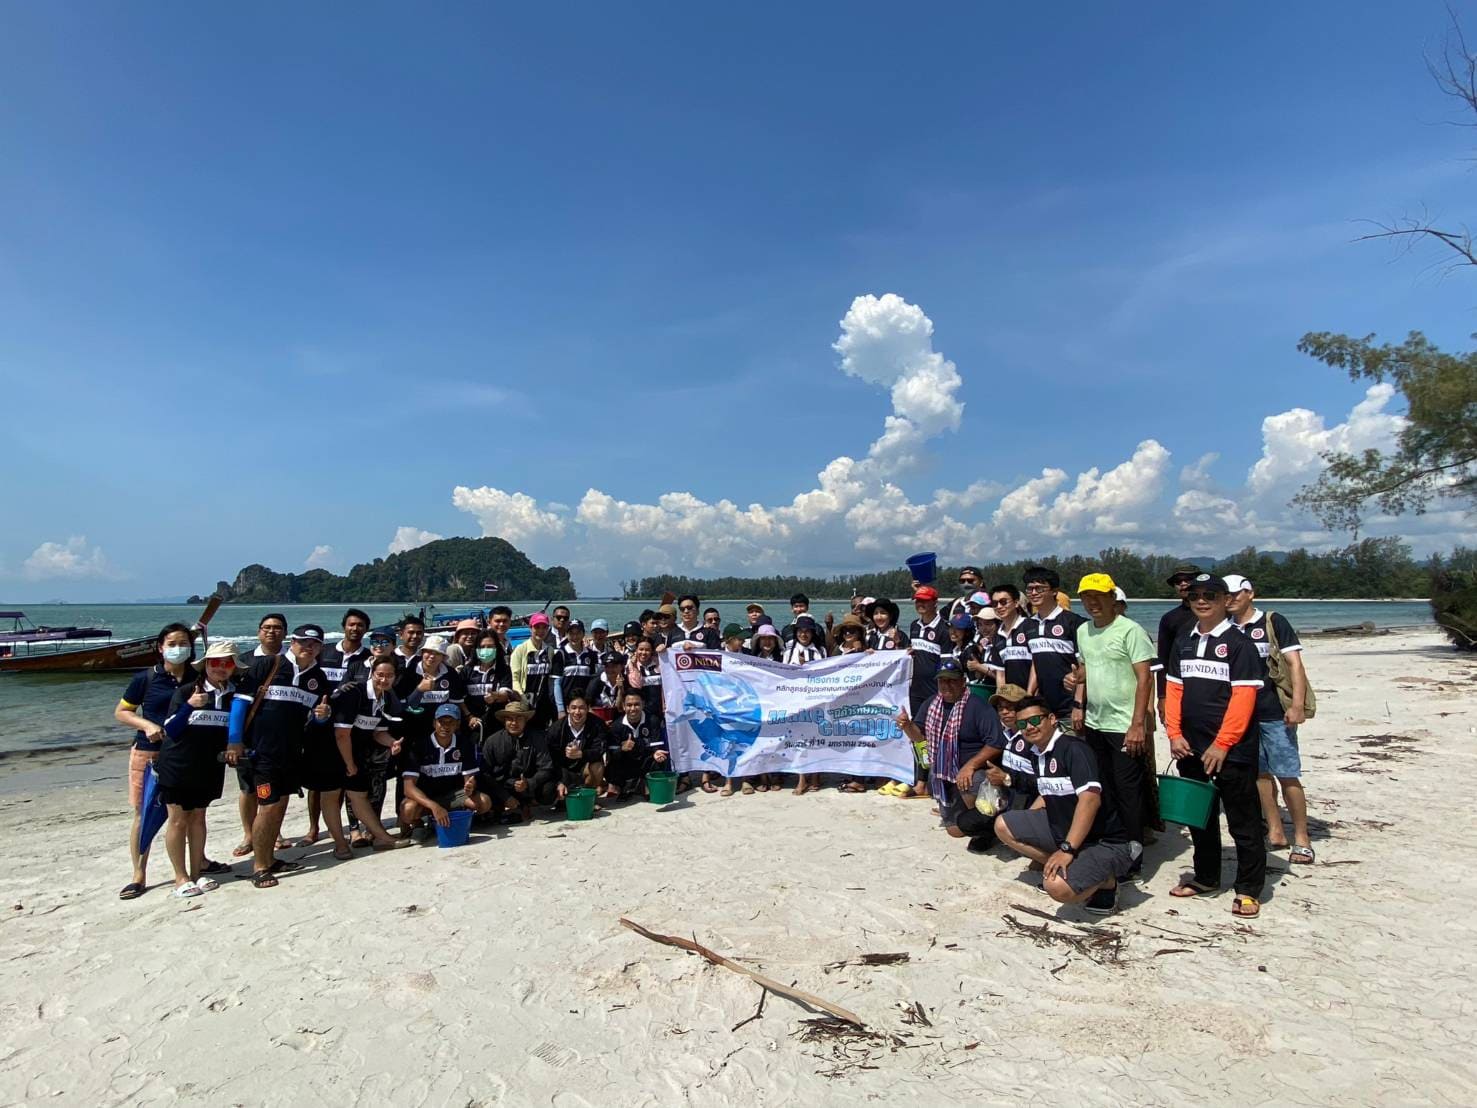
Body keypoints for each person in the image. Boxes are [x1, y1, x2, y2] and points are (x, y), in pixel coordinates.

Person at [1164, 574, 1267, 917]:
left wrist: (1223, 744)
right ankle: (1206, 877)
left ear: (1226, 600)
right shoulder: (1184, 639)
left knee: (1243, 822)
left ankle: (1249, 888)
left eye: (1210, 594)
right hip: (1190, 748)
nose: (1202, 600)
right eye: (1195, 595)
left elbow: (1243, 697)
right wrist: (1174, 734)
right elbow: (1174, 689)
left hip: (1232, 750)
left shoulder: (1240, 644)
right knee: (1200, 818)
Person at [994, 698, 1136, 915]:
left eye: (1034, 720)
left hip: (1102, 840)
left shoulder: (1074, 749)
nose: (1029, 727)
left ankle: (1107, 881)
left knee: (1056, 887)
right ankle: (1066, 866)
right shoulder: (1038, 753)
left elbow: (1090, 800)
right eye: (1022, 724)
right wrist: (1028, 818)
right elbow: (1045, 790)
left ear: (1051, 719)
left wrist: (1067, 849)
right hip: (1063, 830)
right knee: (1003, 825)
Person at [229, 624, 334, 888]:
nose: (308, 648)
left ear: (320, 647)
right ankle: (260, 866)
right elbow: (240, 703)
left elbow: (313, 719)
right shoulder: (268, 665)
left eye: (314, 645)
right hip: (262, 752)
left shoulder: (318, 678)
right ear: (292, 642)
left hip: (292, 753)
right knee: (268, 805)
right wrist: (234, 741)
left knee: (281, 804)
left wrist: (322, 719)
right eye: (303, 643)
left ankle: (271, 858)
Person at [1224, 573, 1315, 864]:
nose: (1231, 599)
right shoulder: (1225, 628)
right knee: (1259, 774)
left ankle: (1302, 837)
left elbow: (1294, 664)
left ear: (1250, 593)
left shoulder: (1273, 622)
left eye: (1236, 594)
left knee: (1287, 773)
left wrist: (1297, 705)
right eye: (1226, 595)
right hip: (1243, 715)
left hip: (1275, 712)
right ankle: (1275, 829)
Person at [1071, 573, 1155, 877]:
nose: (1092, 602)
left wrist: (1138, 724)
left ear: (1111, 598)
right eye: (1086, 597)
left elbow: (1145, 678)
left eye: (1098, 596)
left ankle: (1134, 854)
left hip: (1123, 724)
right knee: (1101, 786)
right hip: (1095, 722)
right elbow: (1086, 668)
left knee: (1128, 790)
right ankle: (1112, 843)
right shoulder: (1083, 631)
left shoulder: (1130, 630)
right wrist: (1076, 681)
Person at [114, 621, 200, 900]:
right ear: (161, 648)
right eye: (172, 644)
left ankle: (199, 863)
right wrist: (146, 725)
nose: (178, 649)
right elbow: (122, 712)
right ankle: (139, 874)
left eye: (183, 644)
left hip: (186, 753)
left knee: (190, 812)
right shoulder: (146, 678)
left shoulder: (197, 677)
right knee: (144, 813)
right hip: (148, 753)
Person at [155, 640, 238, 897]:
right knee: (178, 820)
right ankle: (180, 877)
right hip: (178, 765)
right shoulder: (188, 691)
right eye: (215, 663)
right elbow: (170, 730)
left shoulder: (234, 695)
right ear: (205, 665)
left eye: (227, 663)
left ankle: (196, 873)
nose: (221, 668)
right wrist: (191, 705)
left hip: (209, 765)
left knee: (199, 818)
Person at [897, 657, 1006, 845]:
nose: (946, 685)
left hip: (973, 773)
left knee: (971, 783)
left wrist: (970, 766)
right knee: (955, 831)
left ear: (963, 682)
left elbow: (996, 743)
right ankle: (972, 817)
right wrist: (907, 726)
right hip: (942, 773)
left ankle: (987, 829)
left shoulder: (978, 706)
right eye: (942, 680)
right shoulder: (931, 704)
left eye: (952, 680)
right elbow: (919, 737)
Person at [334, 655, 408, 850]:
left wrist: (392, 743)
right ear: (372, 673)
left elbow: (378, 732)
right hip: (334, 751)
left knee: (358, 795)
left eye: (389, 676)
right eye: (380, 675)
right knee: (332, 798)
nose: (384, 679)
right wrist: (349, 763)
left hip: (356, 752)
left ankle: (379, 836)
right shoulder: (356, 693)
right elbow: (341, 734)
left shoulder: (384, 698)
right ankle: (342, 843)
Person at [230, 612, 288, 859]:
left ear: (285, 632)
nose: (271, 631)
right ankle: (249, 835)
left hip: (280, 738)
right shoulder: (244, 662)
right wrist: (234, 738)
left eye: (277, 628)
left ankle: (274, 832)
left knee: (279, 790)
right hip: (249, 736)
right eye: (266, 627)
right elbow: (232, 698)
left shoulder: (290, 660)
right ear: (258, 631)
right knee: (248, 790)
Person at [400, 703, 492, 837]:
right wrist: (434, 806)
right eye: (441, 722)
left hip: (453, 795)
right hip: (426, 797)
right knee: (408, 810)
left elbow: (469, 779)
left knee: (484, 802)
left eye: (451, 722)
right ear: (434, 723)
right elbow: (408, 788)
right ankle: (417, 823)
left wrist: (470, 787)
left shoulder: (464, 743)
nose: (445, 726)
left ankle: (459, 818)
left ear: (458, 724)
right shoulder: (419, 745)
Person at [1022, 566, 1085, 720]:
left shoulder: (1073, 622)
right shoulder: (1029, 625)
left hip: (1072, 707)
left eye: (1040, 588)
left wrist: (1078, 704)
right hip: (1045, 707)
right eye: (1030, 589)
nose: (1034, 593)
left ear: (1054, 591)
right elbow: (1036, 662)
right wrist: (1029, 696)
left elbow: (1084, 665)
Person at [479, 702, 556, 820]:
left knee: (548, 790)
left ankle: (528, 802)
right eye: (509, 719)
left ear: (525, 720)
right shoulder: (492, 742)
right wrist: (505, 797)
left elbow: (546, 767)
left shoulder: (537, 738)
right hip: (501, 786)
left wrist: (529, 783)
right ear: (504, 721)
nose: (514, 723)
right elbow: (485, 774)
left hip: (528, 784)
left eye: (518, 718)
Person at [782, 617, 827, 795]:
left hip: (816, 699)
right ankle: (801, 778)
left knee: (816, 738)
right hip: (797, 700)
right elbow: (783, 675)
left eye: (807, 631)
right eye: (800, 631)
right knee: (799, 739)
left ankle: (816, 774)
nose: (803, 634)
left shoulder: (821, 651)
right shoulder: (788, 652)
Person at [1156, 565, 1201, 726]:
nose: (1183, 584)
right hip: (1179, 688)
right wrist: (1162, 696)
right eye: (1178, 581)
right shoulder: (1170, 619)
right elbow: (1163, 660)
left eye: (1188, 579)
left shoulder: (1217, 613)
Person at [606, 689, 669, 798]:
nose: (633, 709)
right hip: (627, 762)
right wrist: (622, 748)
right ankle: (621, 785)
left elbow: (656, 746)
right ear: (624, 706)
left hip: (645, 759)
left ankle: (645, 783)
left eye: (636, 705)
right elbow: (611, 754)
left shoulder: (652, 720)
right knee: (611, 766)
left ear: (643, 704)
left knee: (660, 758)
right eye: (629, 705)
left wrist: (656, 752)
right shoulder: (617, 726)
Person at [548, 695, 611, 802]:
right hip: (564, 769)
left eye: (582, 708)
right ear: (567, 708)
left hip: (584, 766)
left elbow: (600, 749)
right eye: (573, 707)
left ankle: (588, 797)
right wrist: (559, 781)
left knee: (598, 766)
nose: (577, 712)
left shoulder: (598, 724)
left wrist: (582, 754)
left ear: (588, 708)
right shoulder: (556, 728)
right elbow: (550, 758)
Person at [511, 612, 559, 727]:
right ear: (530, 628)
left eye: (544, 627)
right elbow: (515, 678)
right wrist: (522, 700)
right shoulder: (520, 650)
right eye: (537, 627)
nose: (540, 631)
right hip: (525, 702)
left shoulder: (550, 651)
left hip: (543, 703)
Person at [462, 630, 515, 732]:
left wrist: (496, 696)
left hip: (496, 724)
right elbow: (459, 697)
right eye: (482, 647)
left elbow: (506, 694)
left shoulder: (504, 669)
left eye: (490, 647)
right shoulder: (467, 670)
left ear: (496, 648)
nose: (486, 650)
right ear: (476, 649)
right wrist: (469, 716)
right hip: (471, 722)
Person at [552, 619, 600, 720]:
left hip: (584, 706)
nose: (575, 637)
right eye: (571, 633)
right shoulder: (560, 654)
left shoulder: (591, 655)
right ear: (566, 634)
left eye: (578, 633)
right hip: (567, 706)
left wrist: (590, 704)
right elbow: (557, 683)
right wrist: (560, 709)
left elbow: (593, 682)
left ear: (583, 634)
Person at [988, 584, 1032, 691]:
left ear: (1016, 603)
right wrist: (1003, 700)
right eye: (994, 603)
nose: (999, 606)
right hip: (1012, 699)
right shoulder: (997, 636)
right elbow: (1000, 675)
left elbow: (1038, 666)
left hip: (1034, 697)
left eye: (1003, 602)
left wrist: (1030, 696)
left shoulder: (1030, 626)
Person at [319, 608, 372, 688]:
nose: (355, 628)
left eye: (360, 625)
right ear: (344, 627)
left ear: (366, 630)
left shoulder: (369, 658)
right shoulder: (322, 651)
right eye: (351, 624)